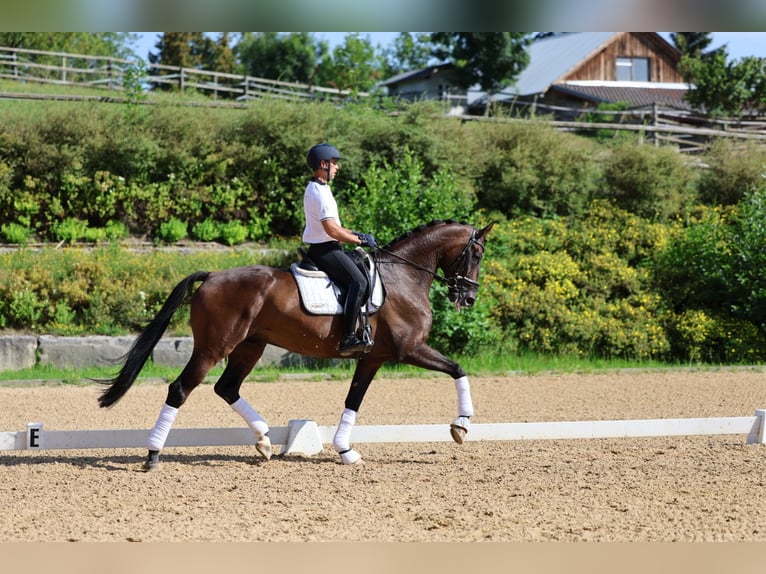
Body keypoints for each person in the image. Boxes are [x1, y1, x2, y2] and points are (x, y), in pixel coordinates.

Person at [302, 143, 378, 356]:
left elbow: (336, 226)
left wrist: (357, 233)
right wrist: (359, 242)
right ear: (323, 164)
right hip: (325, 250)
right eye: (334, 163)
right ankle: (348, 338)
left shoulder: (321, 188)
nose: (337, 167)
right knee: (359, 282)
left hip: (328, 246)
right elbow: (332, 230)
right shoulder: (319, 192)